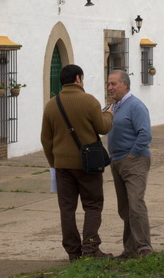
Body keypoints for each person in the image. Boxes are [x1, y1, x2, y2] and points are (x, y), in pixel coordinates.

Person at [41, 64, 113, 261]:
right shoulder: (89, 101)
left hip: (62, 166)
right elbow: (103, 127)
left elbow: (46, 139)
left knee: (67, 208)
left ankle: (73, 252)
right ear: (79, 78)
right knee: (93, 204)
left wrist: (54, 162)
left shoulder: (51, 104)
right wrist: (109, 113)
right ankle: (90, 247)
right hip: (87, 165)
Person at [107, 68, 152, 259]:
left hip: (134, 162)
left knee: (135, 204)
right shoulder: (114, 107)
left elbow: (145, 134)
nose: (110, 88)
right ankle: (130, 249)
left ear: (125, 85)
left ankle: (144, 248)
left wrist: (132, 154)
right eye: (108, 84)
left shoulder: (136, 106)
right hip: (117, 161)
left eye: (113, 84)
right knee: (125, 208)